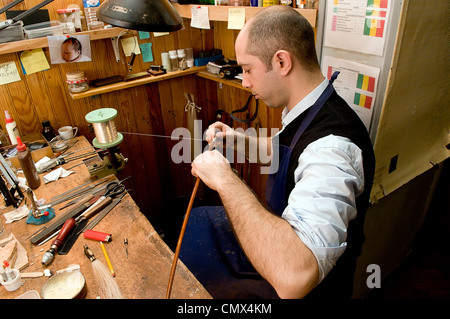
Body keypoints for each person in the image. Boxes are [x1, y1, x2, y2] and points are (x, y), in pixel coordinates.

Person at [179, 5, 375, 299]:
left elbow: (295, 277)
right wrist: (237, 140)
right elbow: (291, 154)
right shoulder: (309, 108)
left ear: (282, 62)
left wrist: (224, 179)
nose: (244, 82)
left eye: (247, 69)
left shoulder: (332, 151)